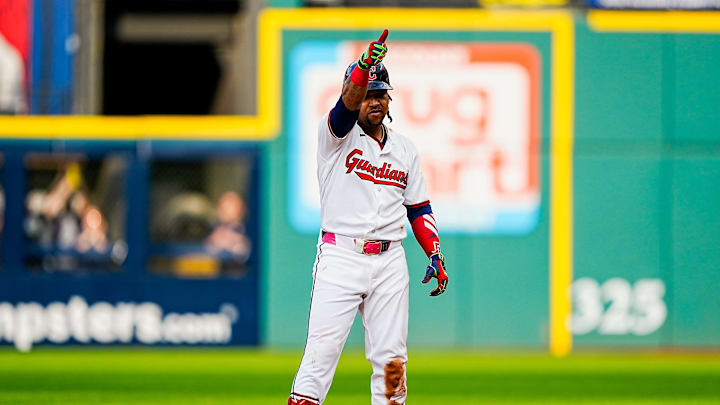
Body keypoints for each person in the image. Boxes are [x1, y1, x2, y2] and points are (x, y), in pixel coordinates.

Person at [288, 30, 449, 405]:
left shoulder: (405, 149)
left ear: (390, 99)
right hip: (341, 257)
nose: (374, 100)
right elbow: (344, 108)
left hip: (391, 260)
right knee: (319, 359)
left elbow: (418, 208)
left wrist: (435, 252)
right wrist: (361, 71)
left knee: (393, 363)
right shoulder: (335, 138)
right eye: (367, 94)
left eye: (381, 93)